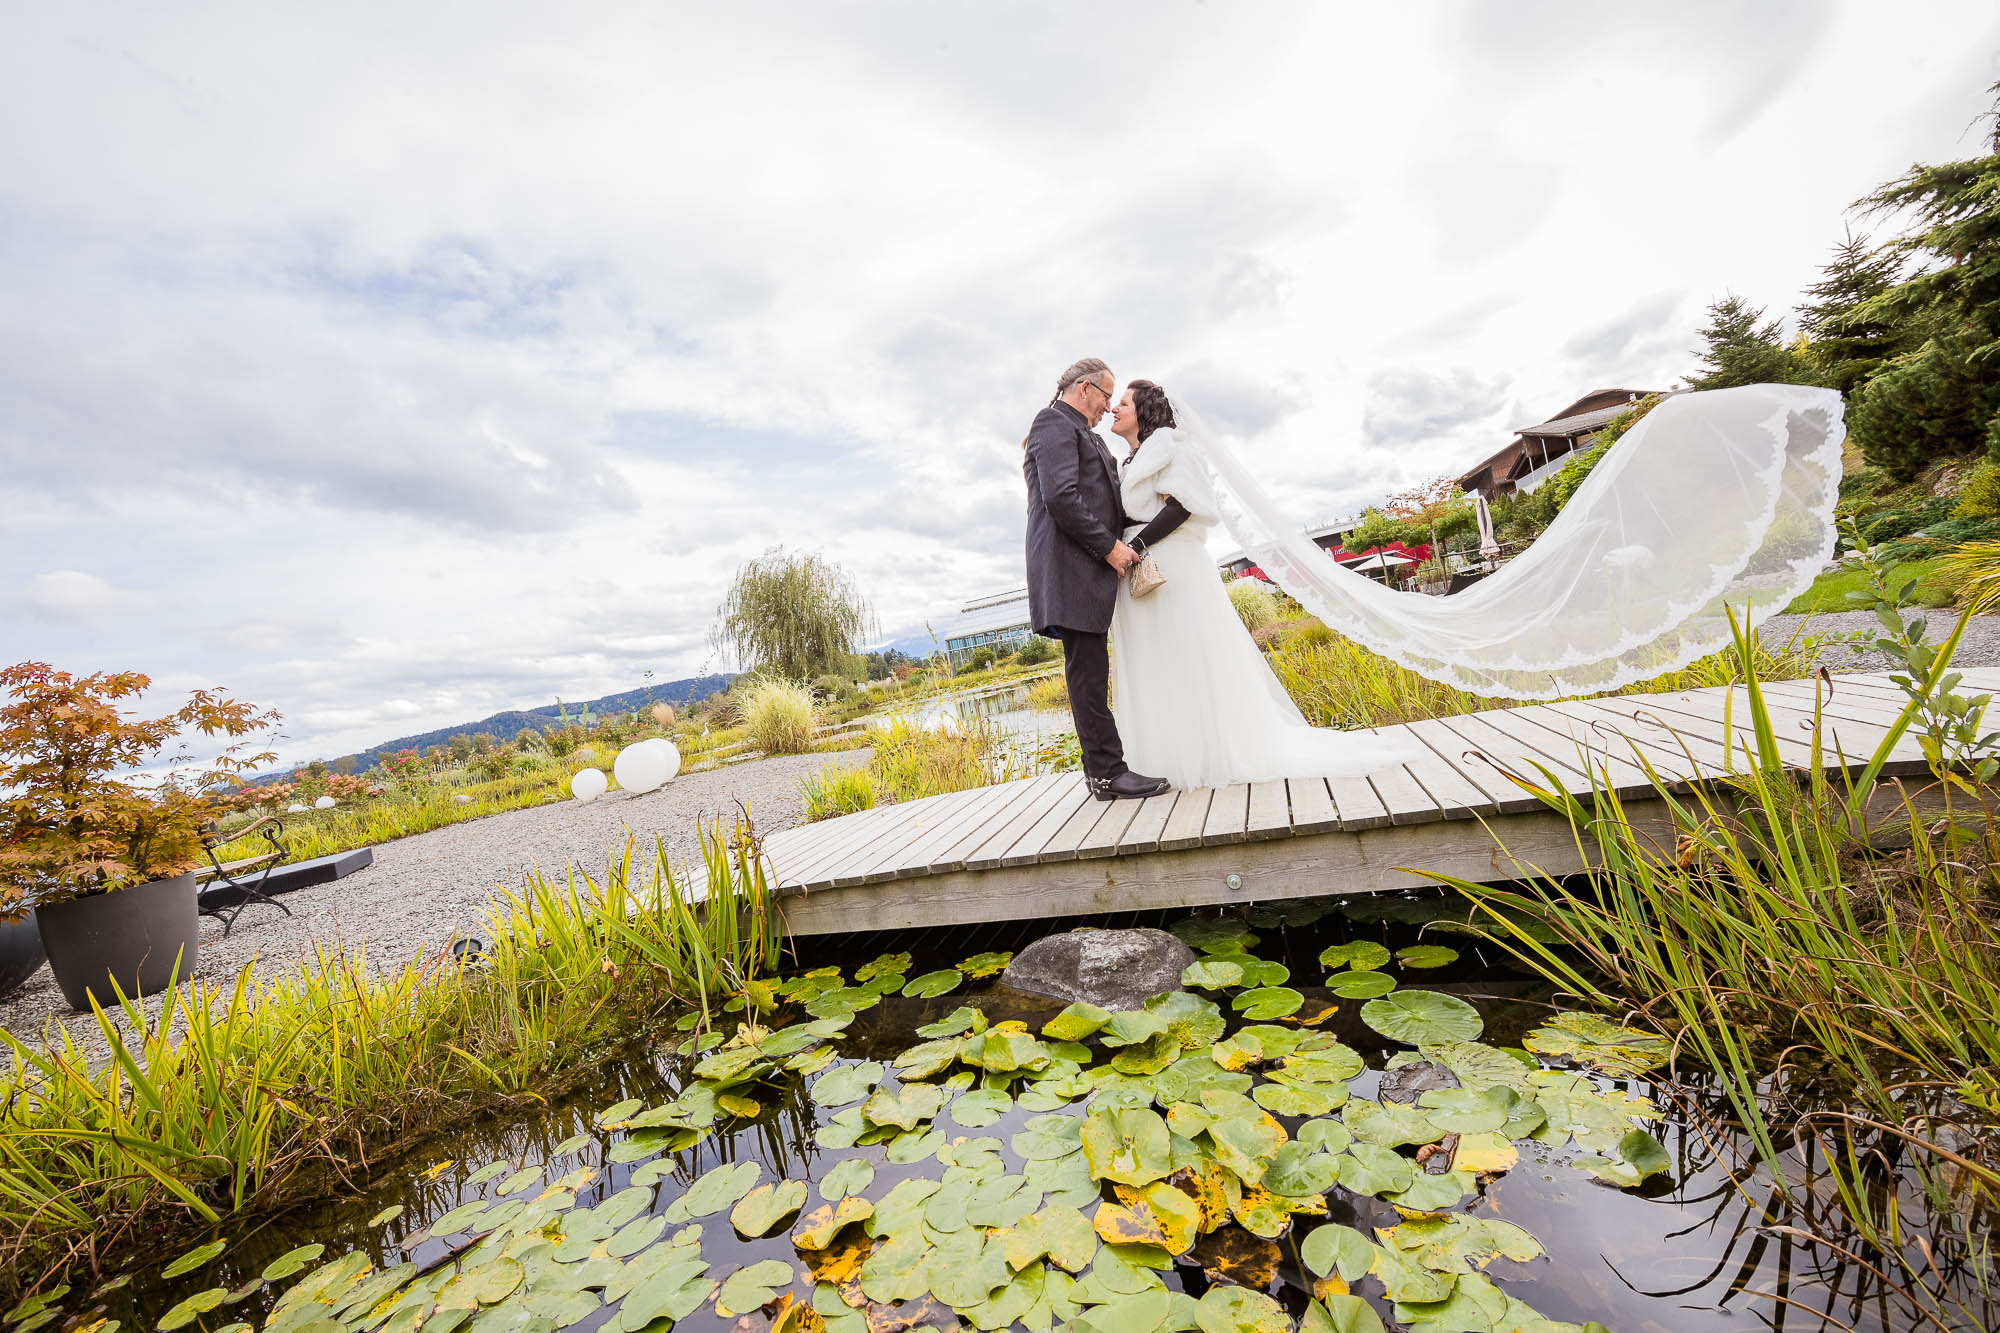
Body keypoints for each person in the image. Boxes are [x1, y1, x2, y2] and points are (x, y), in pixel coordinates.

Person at [1104, 380, 1417, 791]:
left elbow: (1186, 504)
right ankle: (1169, 754)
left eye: (1123, 402)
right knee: (1160, 661)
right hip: (1140, 565)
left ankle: (1208, 753)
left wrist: (1138, 546)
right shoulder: (1130, 460)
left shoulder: (1169, 445)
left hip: (1170, 563)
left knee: (1187, 653)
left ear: (1143, 411)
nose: (1114, 409)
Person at [1021, 358, 1172, 801]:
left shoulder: (1081, 434)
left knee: (1091, 671)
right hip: (1071, 570)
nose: (1109, 408)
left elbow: (1105, 501)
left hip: (1082, 569)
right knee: (1087, 675)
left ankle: (1101, 772)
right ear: (1085, 388)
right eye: (1107, 396)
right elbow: (1061, 497)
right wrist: (1109, 547)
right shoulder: (1053, 423)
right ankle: (1107, 774)